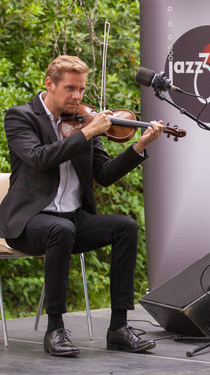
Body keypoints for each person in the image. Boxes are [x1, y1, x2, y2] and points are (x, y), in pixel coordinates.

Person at [0, 55, 163, 357]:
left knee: (125, 227)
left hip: (72, 219)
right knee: (59, 230)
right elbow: (39, 158)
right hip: (28, 221)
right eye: (70, 89)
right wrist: (88, 132)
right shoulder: (20, 117)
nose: (77, 97)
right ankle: (55, 329)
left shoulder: (84, 121)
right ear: (49, 84)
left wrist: (139, 146)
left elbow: (104, 175)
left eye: (81, 90)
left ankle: (118, 327)